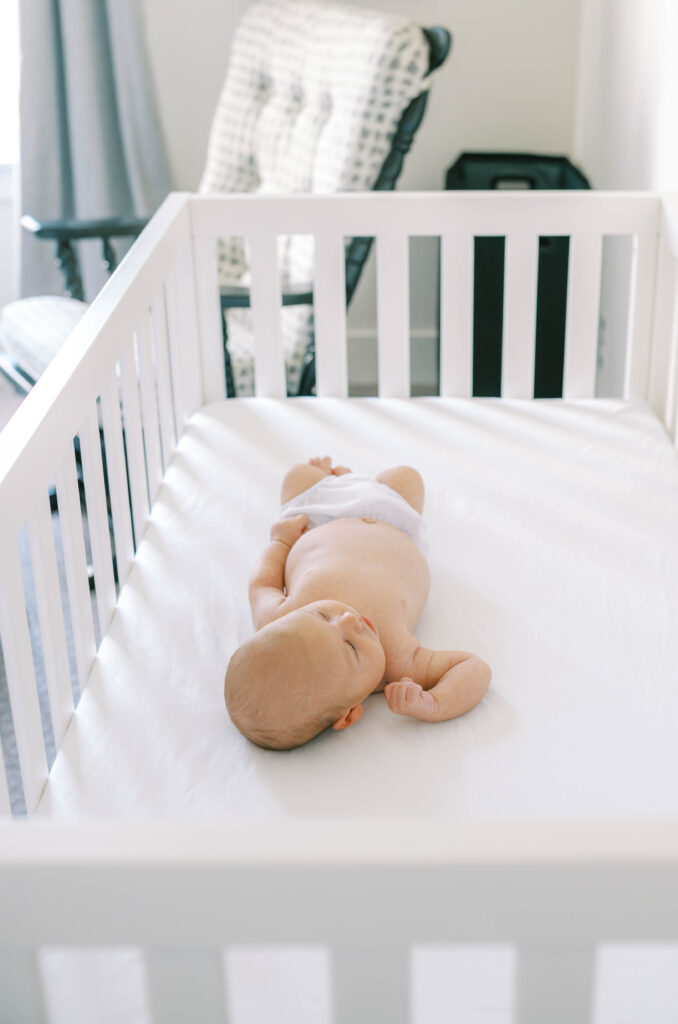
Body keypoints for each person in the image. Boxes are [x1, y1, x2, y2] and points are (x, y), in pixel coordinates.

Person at [224, 457, 491, 749]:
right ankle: (352, 481)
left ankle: (335, 479)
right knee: (406, 478)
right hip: (394, 519)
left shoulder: (279, 621)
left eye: (321, 616)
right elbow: (473, 668)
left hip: (316, 518)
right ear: (348, 714)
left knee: (297, 477)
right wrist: (433, 703)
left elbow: (261, 583)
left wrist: (280, 542)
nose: (351, 619)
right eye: (351, 648)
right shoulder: (399, 662)